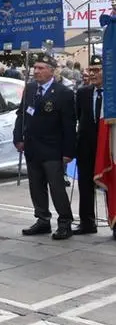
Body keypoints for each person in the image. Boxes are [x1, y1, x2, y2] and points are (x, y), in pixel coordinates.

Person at [14, 54, 77, 239]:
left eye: (41, 68)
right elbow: (21, 114)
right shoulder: (31, 88)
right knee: (36, 186)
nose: (36, 71)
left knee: (56, 188)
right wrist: (18, 137)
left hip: (52, 149)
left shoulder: (63, 93)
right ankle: (42, 219)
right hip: (32, 147)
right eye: (35, 67)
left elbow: (69, 125)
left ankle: (65, 222)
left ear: (52, 70)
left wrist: (68, 151)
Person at [74, 54, 104, 234]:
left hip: (108, 146)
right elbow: (79, 117)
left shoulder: (112, 93)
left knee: (110, 184)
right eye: (90, 70)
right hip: (86, 146)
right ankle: (87, 222)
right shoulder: (83, 92)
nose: (92, 74)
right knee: (85, 185)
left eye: (96, 71)